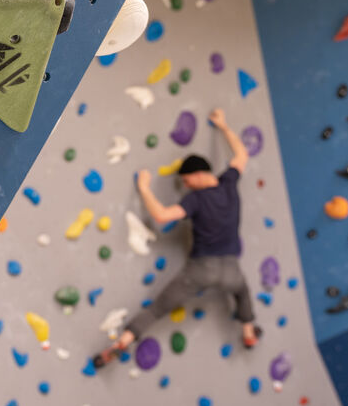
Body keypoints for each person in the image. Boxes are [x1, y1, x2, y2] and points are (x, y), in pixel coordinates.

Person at [93, 108, 259, 368]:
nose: (186, 185)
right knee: (242, 292)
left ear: (197, 174)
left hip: (201, 269)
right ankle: (249, 333)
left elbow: (162, 215)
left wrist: (145, 188)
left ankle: (123, 341)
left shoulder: (195, 199)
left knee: (158, 309)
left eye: (186, 180)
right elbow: (241, 154)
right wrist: (224, 126)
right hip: (232, 268)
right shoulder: (229, 184)